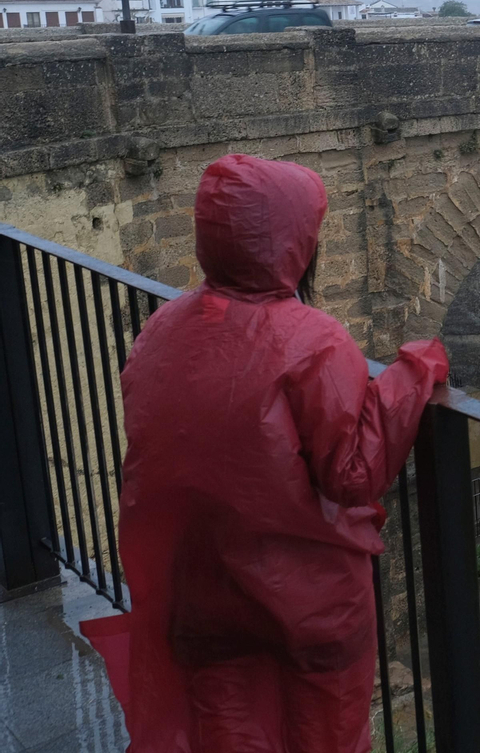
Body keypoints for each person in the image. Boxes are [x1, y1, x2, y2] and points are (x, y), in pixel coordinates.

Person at [84, 154, 449, 753]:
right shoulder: (312, 340)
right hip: (308, 603)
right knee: (325, 736)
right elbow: (352, 472)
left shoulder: (163, 331)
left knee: (228, 735)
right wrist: (415, 372)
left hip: (204, 594)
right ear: (295, 243)